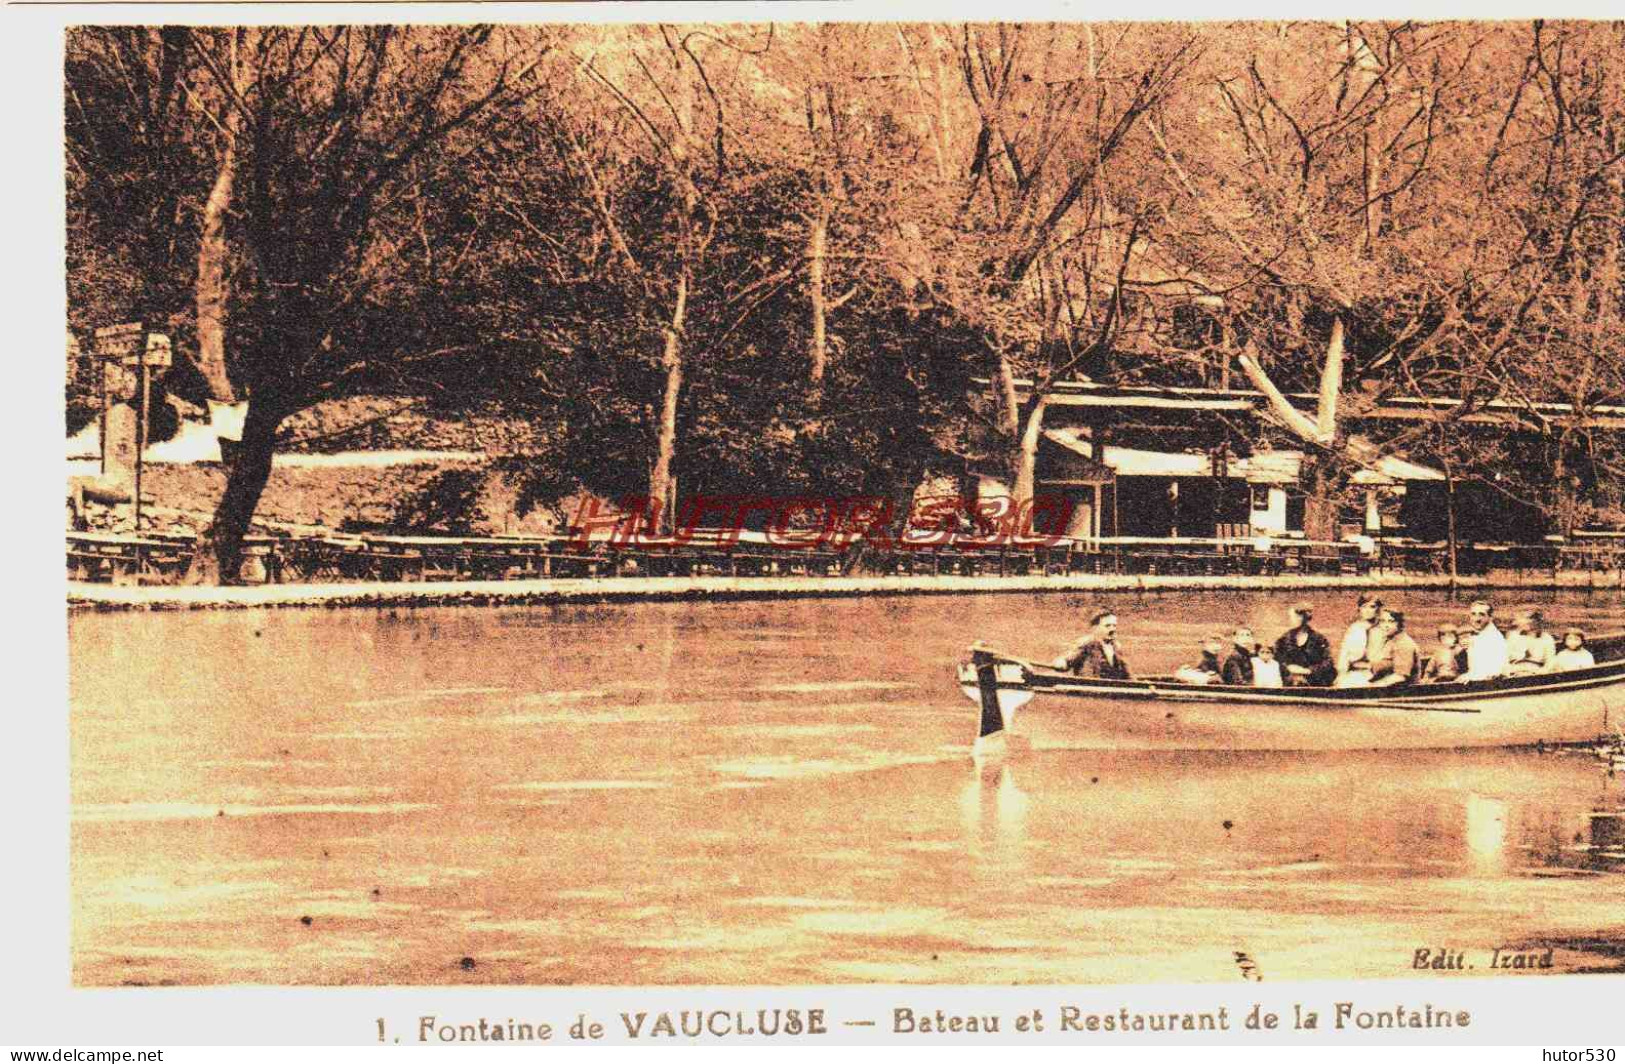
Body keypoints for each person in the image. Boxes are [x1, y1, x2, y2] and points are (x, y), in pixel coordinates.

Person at [1273, 602, 1336, 687]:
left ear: (1303, 617)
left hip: (1313, 684)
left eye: (1294, 617)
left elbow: (1328, 662)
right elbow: (1276, 660)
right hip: (1289, 684)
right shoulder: (1283, 640)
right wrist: (1289, 669)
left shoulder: (1319, 639)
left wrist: (1308, 671)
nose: (1290, 620)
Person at [1053, 610, 1130, 679]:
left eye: (1114, 626)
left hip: (1110, 690)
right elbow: (1067, 659)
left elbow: (1127, 673)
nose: (1112, 629)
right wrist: (1061, 662)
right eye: (1108, 626)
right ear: (1095, 628)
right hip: (1088, 687)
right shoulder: (1086, 643)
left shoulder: (1116, 646)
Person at [1337, 593, 1384, 681]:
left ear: (1378, 609)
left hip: (1376, 673)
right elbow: (1344, 655)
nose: (1367, 610)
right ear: (1359, 609)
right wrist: (1341, 675)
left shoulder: (1383, 630)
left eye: (1372, 607)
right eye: (1364, 607)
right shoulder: (1354, 629)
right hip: (1357, 672)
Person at [1367, 609, 1420, 687]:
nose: (1386, 625)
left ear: (1399, 624)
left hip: (1402, 692)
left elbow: (1400, 677)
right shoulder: (1389, 641)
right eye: (1382, 621)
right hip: (1386, 688)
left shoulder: (1403, 643)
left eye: (1391, 621)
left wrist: (1372, 687)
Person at [1460, 599, 1509, 681]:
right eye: (1473, 614)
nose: (1476, 619)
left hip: (1489, 684)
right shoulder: (1478, 635)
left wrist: (1469, 676)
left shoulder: (1494, 639)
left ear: (1490, 618)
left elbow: (1496, 672)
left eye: (1481, 615)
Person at [1505, 607, 1557, 676]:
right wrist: (1509, 672)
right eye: (1522, 618)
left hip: (1535, 673)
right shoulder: (1513, 636)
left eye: (1528, 619)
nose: (1522, 622)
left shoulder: (1546, 638)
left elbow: (1550, 662)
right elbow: (1504, 658)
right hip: (1515, 672)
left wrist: (1539, 672)